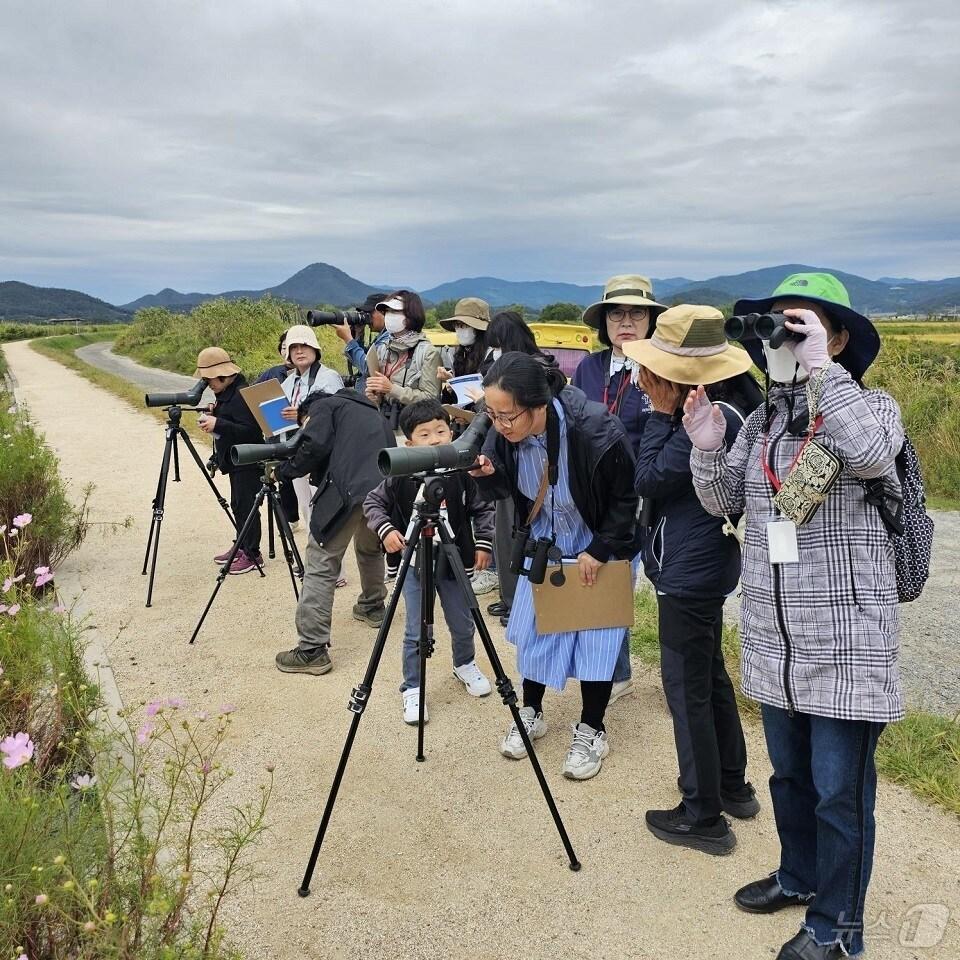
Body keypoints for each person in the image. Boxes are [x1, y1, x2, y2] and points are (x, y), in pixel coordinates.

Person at [684, 273, 903, 960]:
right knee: (789, 776)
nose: (779, 336)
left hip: (845, 641)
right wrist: (708, 442)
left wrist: (823, 373)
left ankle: (840, 926)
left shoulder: (872, 406)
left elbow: (869, 453)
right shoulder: (765, 423)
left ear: (835, 339)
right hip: (776, 640)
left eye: (798, 324)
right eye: (774, 326)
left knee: (840, 793)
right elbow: (724, 503)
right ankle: (800, 875)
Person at [622, 304, 760, 856]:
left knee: (687, 691)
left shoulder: (708, 415)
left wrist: (659, 413)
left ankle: (703, 814)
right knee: (710, 677)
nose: (646, 378)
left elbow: (650, 478)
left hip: (688, 569)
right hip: (705, 562)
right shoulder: (733, 399)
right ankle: (733, 785)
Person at [470, 353, 639, 780]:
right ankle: (531, 712)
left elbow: (626, 497)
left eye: (507, 416)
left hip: (596, 547)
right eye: (492, 414)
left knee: (597, 644)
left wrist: (601, 548)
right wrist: (487, 473)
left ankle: (592, 729)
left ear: (540, 404)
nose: (499, 424)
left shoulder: (594, 430)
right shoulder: (503, 431)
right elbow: (507, 487)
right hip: (547, 546)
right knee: (539, 635)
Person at [363, 400, 495, 723]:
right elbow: (373, 503)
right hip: (414, 562)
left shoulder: (461, 471)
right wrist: (387, 530)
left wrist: (483, 543)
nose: (435, 439)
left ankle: (464, 663)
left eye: (441, 431)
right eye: (425, 434)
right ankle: (412, 687)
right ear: (409, 443)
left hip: (453, 560)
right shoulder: (400, 473)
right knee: (415, 628)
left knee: (463, 620)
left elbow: (483, 507)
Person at [574, 274, 668, 705]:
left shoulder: (664, 366)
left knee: (666, 587)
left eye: (636, 313)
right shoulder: (588, 368)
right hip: (601, 496)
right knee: (609, 581)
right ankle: (617, 672)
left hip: (653, 493)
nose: (625, 321)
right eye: (616, 313)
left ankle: (679, 685)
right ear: (604, 321)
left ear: (650, 320)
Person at [274, 385, 397, 676]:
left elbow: (313, 445)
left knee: (321, 559)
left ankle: (311, 649)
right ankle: (372, 605)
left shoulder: (324, 406)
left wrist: (284, 471)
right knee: (369, 548)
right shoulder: (369, 411)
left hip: (349, 490)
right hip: (382, 489)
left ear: (307, 413)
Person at [481, 311, 550, 625]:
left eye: (497, 344)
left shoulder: (537, 371)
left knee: (525, 533)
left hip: (532, 467)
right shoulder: (500, 374)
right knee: (506, 535)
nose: (494, 351)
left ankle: (524, 603)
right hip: (504, 458)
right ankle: (512, 600)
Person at [194, 347, 264, 575]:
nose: (208, 384)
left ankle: (253, 554)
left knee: (247, 506)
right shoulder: (227, 394)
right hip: (236, 461)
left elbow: (252, 432)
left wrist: (218, 424)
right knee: (238, 505)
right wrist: (217, 415)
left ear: (223, 375)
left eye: (209, 379)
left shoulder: (241, 395)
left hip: (248, 460)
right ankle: (242, 545)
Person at [364, 290, 441, 425]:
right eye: (386, 312)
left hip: (415, 426)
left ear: (411, 315)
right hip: (385, 421)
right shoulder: (382, 349)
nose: (388, 316)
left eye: (394, 312)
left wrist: (392, 389)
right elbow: (381, 395)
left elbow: (430, 399)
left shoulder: (427, 352)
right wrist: (375, 396)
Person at [256, 331, 300, 529]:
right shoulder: (271, 373)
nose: (286, 351)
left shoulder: (310, 375)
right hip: (276, 432)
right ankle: (289, 518)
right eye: (284, 347)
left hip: (298, 435)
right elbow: (255, 396)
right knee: (281, 476)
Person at [332, 292, 389, 395]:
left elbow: (368, 368)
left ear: (384, 313)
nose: (367, 318)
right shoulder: (382, 335)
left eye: (369, 313)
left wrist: (349, 340)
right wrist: (358, 334)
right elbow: (361, 361)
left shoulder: (389, 338)